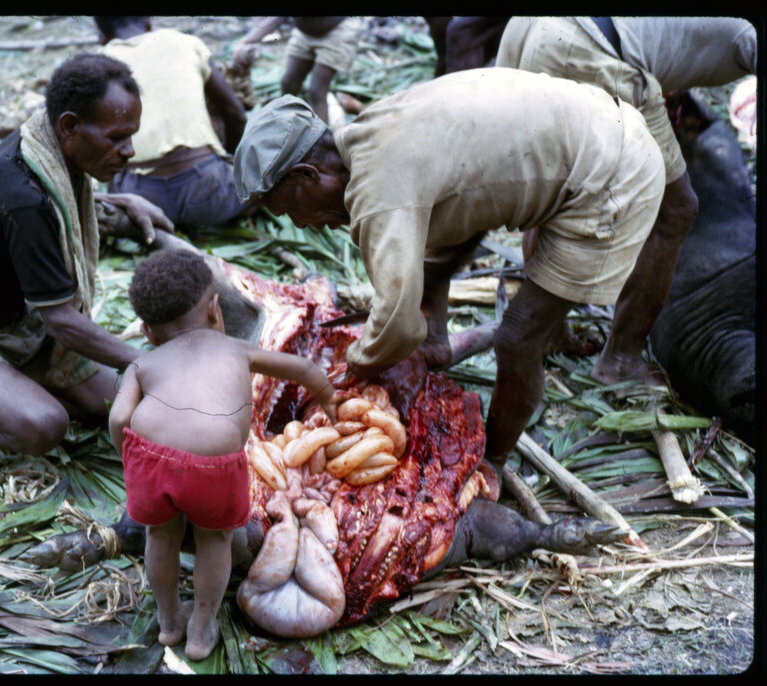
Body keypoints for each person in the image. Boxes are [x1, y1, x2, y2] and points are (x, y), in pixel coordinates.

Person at [231, 69, 665, 493]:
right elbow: (456, 209)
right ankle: (437, 341)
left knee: (517, 340)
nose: (304, 225)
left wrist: (356, 368)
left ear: (308, 175)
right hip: (597, 125)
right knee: (432, 253)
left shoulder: (378, 192)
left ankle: (492, 463)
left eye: (291, 211)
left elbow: (397, 323)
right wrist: (415, 337)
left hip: (610, 175)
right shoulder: (372, 132)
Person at [0, 53, 173, 458]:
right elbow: (59, 320)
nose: (129, 150)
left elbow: (57, 205)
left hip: (14, 325)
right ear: (70, 125)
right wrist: (146, 362)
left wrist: (117, 201)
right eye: (115, 138)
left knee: (109, 406)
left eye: (131, 135)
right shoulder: (23, 196)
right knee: (45, 426)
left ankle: (4, 386)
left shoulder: (49, 150)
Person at [495, 16, 757, 384]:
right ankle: (620, 359)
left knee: (559, 183)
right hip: (590, 48)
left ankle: (548, 332)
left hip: (535, 27)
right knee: (677, 209)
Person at [108, 248, 339, 660]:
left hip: (149, 459)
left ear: (148, 332)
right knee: (214, 541)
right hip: (215, 466)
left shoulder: (142, 364)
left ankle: (168, 621)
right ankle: (201, 628)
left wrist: (131, 461)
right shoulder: (235, 349)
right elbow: (305, 370)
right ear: (216, 309)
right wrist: (330, 401)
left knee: (160, 537)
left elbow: (120, 416)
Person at [95, 16, 251, 230]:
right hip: (208, 190)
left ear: (101, 37)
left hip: (142, 201)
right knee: (262, 188)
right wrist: (232, 161)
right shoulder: (184, 42)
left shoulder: (98, 63)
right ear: (148, 23)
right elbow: (236, 114)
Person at [232, 17, 361, 124]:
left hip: (338, 30)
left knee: (316, 91)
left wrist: (249, 39)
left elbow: (278, 18)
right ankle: (283, 125)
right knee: (289, 83)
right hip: (305, 32)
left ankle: (322, 141)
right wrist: (254, 38)